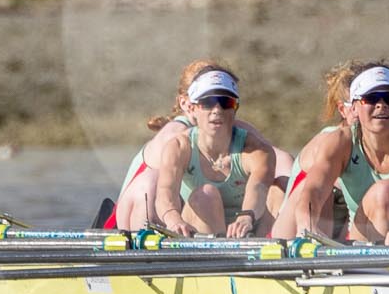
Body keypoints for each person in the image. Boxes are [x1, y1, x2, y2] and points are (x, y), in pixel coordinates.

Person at [114, 61, 290, 238]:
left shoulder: (256, 149)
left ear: (235, 108)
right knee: (206, 195)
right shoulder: (178, 145)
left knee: (281, 187)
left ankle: (267, 256)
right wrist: (174, 220)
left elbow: (258, 188)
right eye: (207, 102)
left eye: (225, 102)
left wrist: (247, 216)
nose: (217, 110)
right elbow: (165, 195)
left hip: (248, 227)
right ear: (192, 108)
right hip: (198, 224)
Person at [273, 62, 389, 245]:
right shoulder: (337, 141)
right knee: (377, 191)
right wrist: (308, 227)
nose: (381, 105)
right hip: (350, 236)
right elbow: (314, 190)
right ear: (353, 108)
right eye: (371, 98)